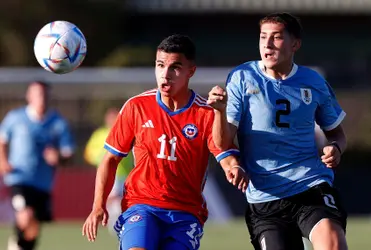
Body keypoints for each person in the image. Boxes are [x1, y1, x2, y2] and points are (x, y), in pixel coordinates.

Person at [82, 34, 248, 250]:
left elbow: (224, 153)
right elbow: (110, 159)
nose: (165, 75)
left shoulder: (206, 113)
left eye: (175, 68)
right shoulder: (136, 107)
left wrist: (233, 167)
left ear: (191, 71)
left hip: (185, 213)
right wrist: (98, 206)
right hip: (141, 205)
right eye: (160, 65)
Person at [208, 13, 348, 250]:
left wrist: (336, 149)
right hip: (265, 197)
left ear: (295, 44)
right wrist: (219, 112)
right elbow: (222, 142)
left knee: (333, 244)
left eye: (276, 37)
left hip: (311, 186)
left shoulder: (313, 81)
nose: (267, 44)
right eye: (263, 37)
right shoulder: (243, 77)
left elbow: (338, 135)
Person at [0, 81, 75, 250]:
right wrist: (3, 160)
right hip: (18, 178)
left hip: (43, 182)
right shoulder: (16, 117)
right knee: (25, 214)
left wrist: (59, 157)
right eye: (37, 93)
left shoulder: (58, 123)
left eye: (45, 94)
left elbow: (68, 153)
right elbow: (2, 139)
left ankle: (17, 245)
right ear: (29, 96)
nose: (42, 98)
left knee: (33, 227)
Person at [84, 107, 134, 233]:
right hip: (111, 173)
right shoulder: (99, 134)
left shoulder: (126, 131)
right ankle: (114, 225)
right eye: (111, 117)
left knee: (124, 203)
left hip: (127, 175)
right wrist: (100, 158)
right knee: (114, 200)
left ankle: (120, 225)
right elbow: (89, 153)